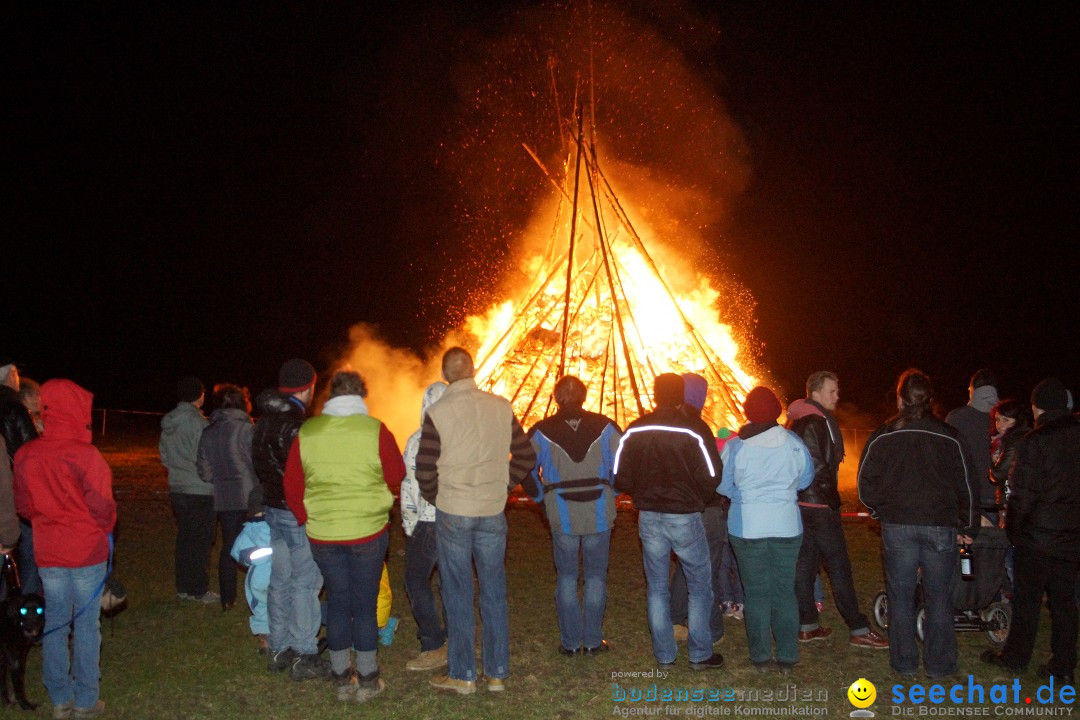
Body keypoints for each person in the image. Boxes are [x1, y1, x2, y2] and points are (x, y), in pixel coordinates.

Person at [416, 347, 536, 694]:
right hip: (492, 510)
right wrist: (505, 485)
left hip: (454, 508)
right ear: (473, 370)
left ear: (445, 375)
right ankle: (497, 672)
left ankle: (463, 674)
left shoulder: (438, 412)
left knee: (457, 591)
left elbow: (425, 467)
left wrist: (436, 496)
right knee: (494, 590)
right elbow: (526, 455)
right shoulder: (501, 406)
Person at [283, 369, 405, 703]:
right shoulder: (374, 429)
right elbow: (397, 472)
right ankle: (367, 679)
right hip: (368, 532)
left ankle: (340, 678)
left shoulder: (308, 431)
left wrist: (310, 518)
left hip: (323, 534)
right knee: (364, 605)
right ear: (361, 396)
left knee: (337, 601)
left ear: (330, 396)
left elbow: (292, 487)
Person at [857, 369, 978, 680]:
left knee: (900, 595)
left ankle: (904, 663)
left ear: (900, 400)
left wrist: (876, 510)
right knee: (939, 597)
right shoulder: (949, 436)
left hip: (897, 525)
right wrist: (968, 525)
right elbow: (968, 483)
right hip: (940, 525)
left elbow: (865, 482)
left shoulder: (884, 435)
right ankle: (939, 665)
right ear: (930, 400)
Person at [13, 379, 116, 719]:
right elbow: (103, 507)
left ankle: (61, 699)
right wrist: (102, 526)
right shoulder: (85, 455)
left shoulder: (27, 454)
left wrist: (49, 517)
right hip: (86, 551)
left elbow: (24, 507)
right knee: (87, 625)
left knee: (56, 622)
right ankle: (85, 701)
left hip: (50, 552)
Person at [614, 373, 724, 671]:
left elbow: (619, 475)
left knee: (657, 587)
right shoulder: (695, 429)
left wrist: (641, 492)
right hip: (685, 516)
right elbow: (713, 475)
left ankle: (664, 654)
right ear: (680, 396)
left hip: (649, 517)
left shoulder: (636, 429)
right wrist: (697, 498)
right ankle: (700, 653)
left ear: (655, 394)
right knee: (700, 585)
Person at [981, 378, 1080, 684]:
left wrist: (1013, 530)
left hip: (1037, 537)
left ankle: (1015, 657)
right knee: (1065, 604)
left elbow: (1020, 495)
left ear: (1037, 407)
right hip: (1072, 536)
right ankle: (1063, 665)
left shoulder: (1036, 441)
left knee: (1027, 601)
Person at [787, 371, 888, 649]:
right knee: (839, 566)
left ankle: (807, 625)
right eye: (831, 391)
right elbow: (816, 466)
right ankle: (858, 627)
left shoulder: (805, 419)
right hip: (817, 504)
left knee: (806, 565)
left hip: (805, 503)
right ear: (815, 393)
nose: (837, 396)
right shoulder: (813, 422)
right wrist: (826, 497)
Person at [523, 375, 622, 656]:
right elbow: (626, 461)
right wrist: (612, 491)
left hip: (561, 510)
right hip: (599, 510)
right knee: (595, 577)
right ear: (584, 396)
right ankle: (592, 641)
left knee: (566, 577)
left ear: (556, 398)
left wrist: (542, 499)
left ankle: (570, 642)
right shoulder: (605, 426)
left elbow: (523, 468)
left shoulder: (541, 430)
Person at [718, 386, 813, 674]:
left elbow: (722, 484)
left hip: (748, 526)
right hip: (786, 524)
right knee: (784, 591)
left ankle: (760, 657)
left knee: (756, 592)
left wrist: (742, 497)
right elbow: (805, 478)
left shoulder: (736, 446)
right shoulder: (793, 442)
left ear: (748, 412)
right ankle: (787, 657)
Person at [251, 358, 324, 679]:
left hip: (274, 511)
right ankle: (305, 652)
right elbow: (309, 473)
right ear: (308, 388)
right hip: (297, 512)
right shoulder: (297, 426)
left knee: (279, 580)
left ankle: (279, 647)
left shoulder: (263, 420)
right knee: (306, 583)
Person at [667, 373, 726, 646]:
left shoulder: (669, 425)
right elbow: (713, 474)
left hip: (675, 509)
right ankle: (709, 629)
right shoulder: (698, 427)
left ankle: (674, 616)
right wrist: (705, 499)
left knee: (687, 564)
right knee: (706, 569)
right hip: (702, 509)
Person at [196, 383, 258, 613]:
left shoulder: (208, 431)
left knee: (229, 546)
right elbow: (257, 462)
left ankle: (227, 599)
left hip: (224, 496)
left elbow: (203, 469)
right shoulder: (246, 429)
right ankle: (258, 594)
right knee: (258, 545)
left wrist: (221, 480)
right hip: (250, 495)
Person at [400, 381, 448, 671]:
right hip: (460, 519)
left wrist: (410, 524)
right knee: (451, 582)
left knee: (415, 580)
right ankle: (457, 639)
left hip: (429, 521)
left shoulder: (419, 440)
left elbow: (410, 486)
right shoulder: (464, 436)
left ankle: (433, 643)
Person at [159, 376, 217, 603]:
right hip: (199, 489)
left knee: (185, 539)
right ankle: (199, 589)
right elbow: (205, 458)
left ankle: (183, 587)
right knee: (201, 542)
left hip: (177, 487)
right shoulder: (199, 423)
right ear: (200, 395)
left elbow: (164, 454)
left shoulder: (169, 422)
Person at [0, 359, 39, 596]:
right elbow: (32, 452)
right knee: (29, 552)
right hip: (16, 490)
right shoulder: (14, 408)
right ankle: (30, 607)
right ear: (9, 376)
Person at [946, 368, 999, 525]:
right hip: (997, 501)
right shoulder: (1007, 419)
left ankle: (967, 551)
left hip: (966, 502)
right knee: (995, 547)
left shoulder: (956, 419)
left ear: (972, 390)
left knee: (966, 547)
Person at [231, 486, 272, 655]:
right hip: (279, 575)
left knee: (261, 607)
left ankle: (265, 640)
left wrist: (249, 557)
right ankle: (285, 638)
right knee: (283, 606)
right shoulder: (277, 527)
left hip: (257, 579)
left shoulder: (248, 530)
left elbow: (236, 552)